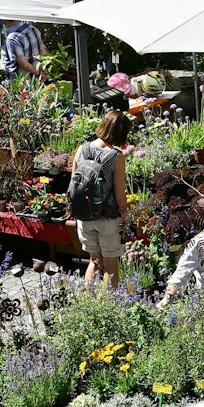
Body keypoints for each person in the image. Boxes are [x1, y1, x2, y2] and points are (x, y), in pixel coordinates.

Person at [67, 110, 132, 289]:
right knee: (111, 266)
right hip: (107, 217)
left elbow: (72, 185)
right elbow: (119, 193)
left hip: (84, 215)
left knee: (94, 261)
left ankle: (89, 300)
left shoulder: (82, 149)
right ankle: (112, 302)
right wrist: (125, 216)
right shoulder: (116, 156)